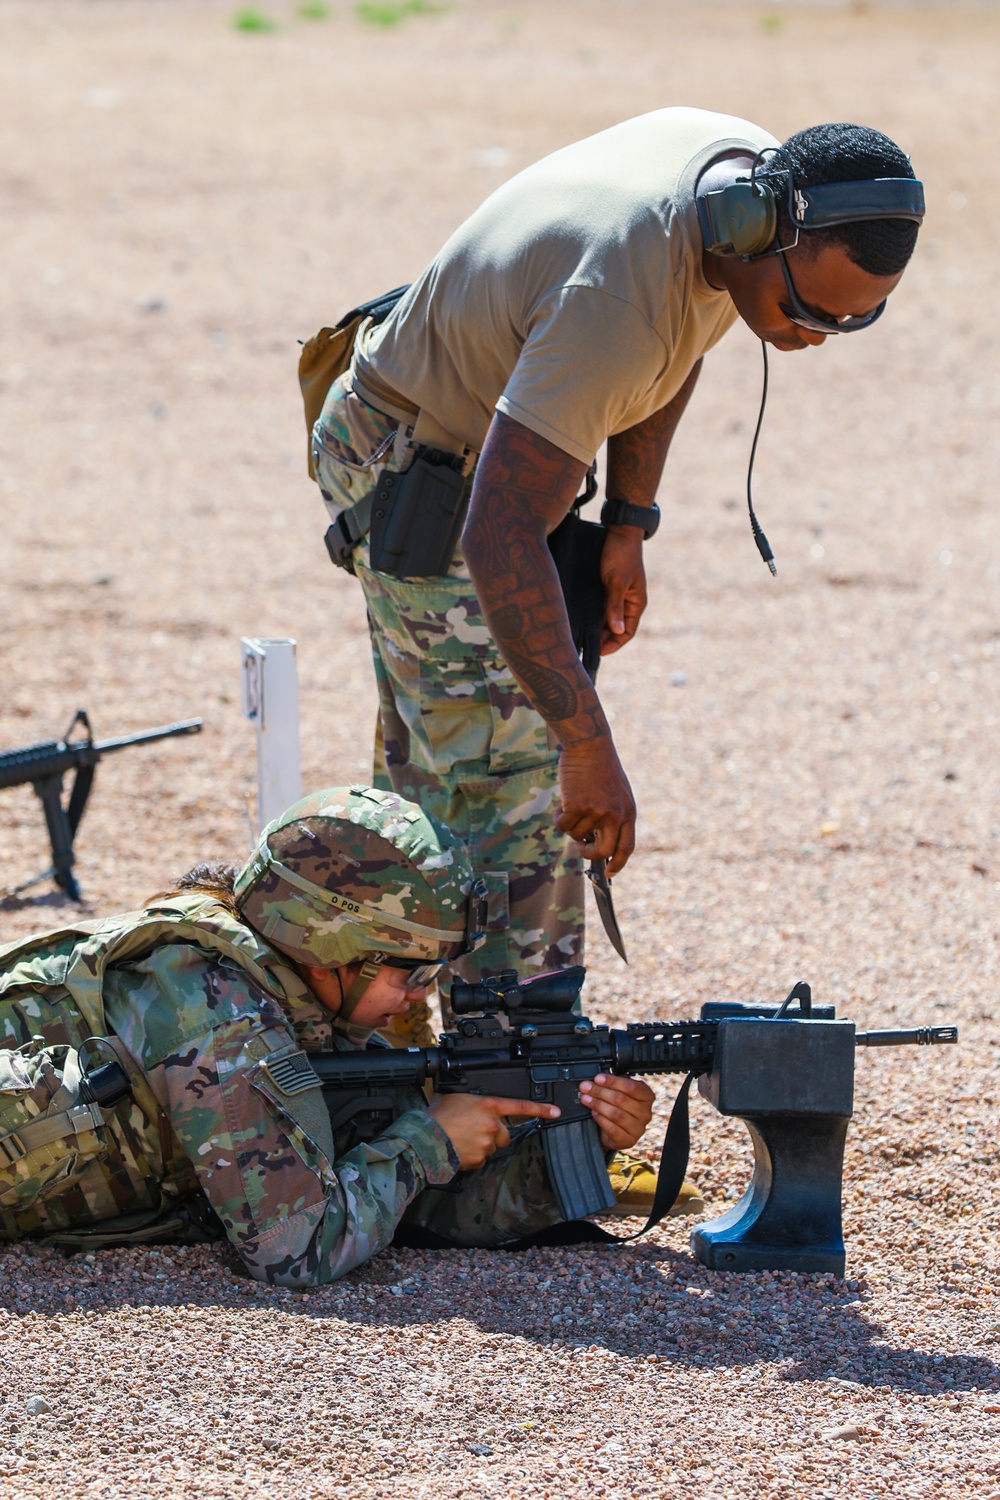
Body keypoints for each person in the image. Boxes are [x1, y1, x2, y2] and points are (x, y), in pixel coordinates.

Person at [310, 108, 923, 999]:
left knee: (446, 753)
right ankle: (508, 1057)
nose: (817, 334)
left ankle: (383, 1024)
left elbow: (682, 341)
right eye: (805, 309)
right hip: (415, 457)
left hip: (487, 443)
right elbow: (497, 531)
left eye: (853, 321)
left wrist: (630, 520)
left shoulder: (745, 192)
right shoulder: (618, 299)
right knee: (507, 768)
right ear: (756, 233)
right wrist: (585, 743)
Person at [0, 787, 656, 1284]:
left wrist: (578, 1146)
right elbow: (295, 1249)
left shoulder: (296, 999)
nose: (423, 991)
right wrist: (428, 1139)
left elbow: (408, 1212)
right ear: (332, 948)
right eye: (412, 969)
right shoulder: (221, 1019)